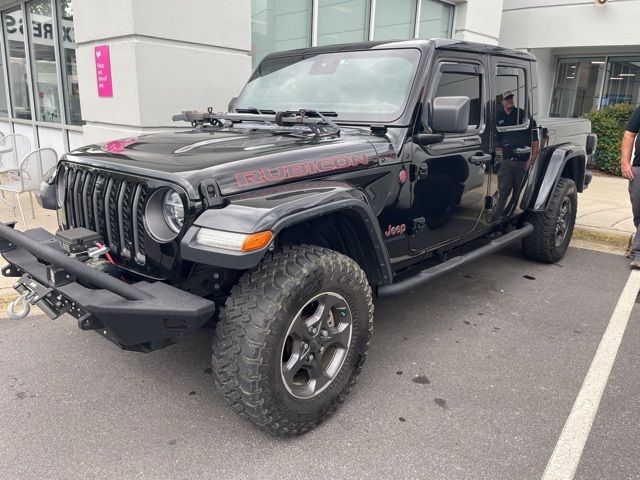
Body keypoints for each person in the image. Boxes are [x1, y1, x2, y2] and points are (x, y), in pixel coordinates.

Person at [492, 90, 539, 221]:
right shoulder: (498, 117)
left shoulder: (523, 115)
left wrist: (532, 159)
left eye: (511, 98)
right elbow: (497, 143)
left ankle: (508, 217)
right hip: (507, 162)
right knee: (503, 191)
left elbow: (535, 140)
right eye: (507, 99)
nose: (510, 100)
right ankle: (495, 219)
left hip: (522, 163)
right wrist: (499, 160)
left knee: (517, 193)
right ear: (501, 102)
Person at [620, 105, 640, 268]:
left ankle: (638, 253)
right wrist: (625, 163)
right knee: (638, 209)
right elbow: (629, 134)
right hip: (638, 168)